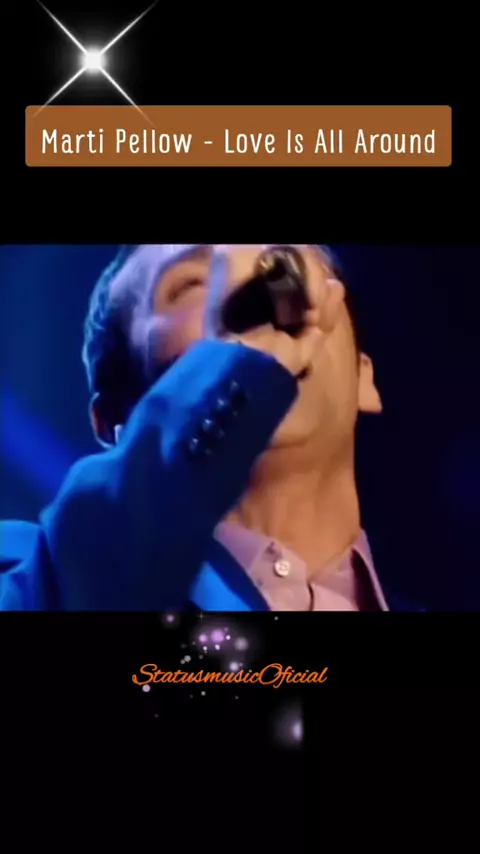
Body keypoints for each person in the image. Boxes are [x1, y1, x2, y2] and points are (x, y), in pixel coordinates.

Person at [0, 244, 418, 611]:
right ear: (118, 420)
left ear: (364, 378)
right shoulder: (34, 576)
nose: (260, 296)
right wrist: (237, 370)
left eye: (280, 263)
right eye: (192, 285)